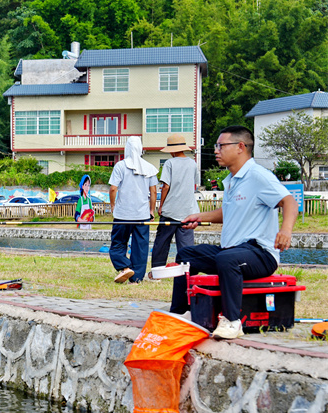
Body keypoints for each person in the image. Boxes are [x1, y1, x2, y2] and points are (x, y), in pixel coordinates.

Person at [170, 126, 297, 339]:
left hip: (261, 254)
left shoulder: (258, 176)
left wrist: (286, 230)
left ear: (240, 147)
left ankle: (232, 321)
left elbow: (289, 201)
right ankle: (181, 312)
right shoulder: (231, 180)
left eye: (221, 146)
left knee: (229, 259)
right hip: (231, 252)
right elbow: (227, 212)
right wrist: (199, 217)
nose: (216, 151)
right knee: (186, 256)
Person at [108, 136, 158, 284]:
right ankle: (136, 278)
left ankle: (124, 267)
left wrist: (112, 206)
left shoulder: (120, 166)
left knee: (118, 243)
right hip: (142, 214)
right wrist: (151, 210)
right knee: (140, 246)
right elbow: (153, 191)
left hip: (123, 214)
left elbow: (113, 188)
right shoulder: (149, 167)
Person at [149, 134, 200, 274]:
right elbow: (194, 184)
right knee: (186, 245)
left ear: (171, 150)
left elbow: (165, 186)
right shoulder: (192, 164)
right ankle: (188, 272)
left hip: (171, 210)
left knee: (162, 242)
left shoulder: (169, 163)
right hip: (188, 210)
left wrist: (161, 206)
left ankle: (157, 272)